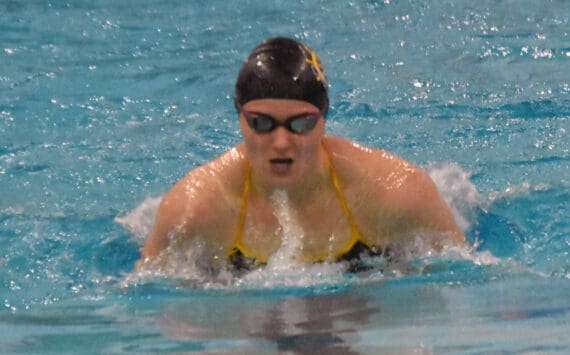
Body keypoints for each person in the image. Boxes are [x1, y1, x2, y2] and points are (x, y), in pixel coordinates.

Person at [138, 37, 464, 271]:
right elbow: (148, 302)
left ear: (324, 118)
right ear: (239, 116)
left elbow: (457, 279)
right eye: (261, 123)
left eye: (301, 124)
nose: (281, 142)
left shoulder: (396, 192)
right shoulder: (195, 208)